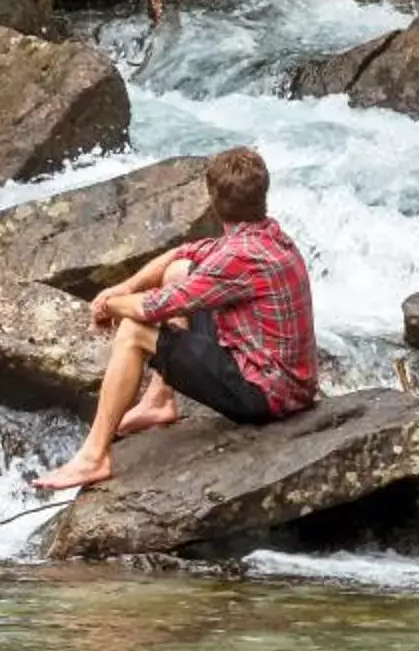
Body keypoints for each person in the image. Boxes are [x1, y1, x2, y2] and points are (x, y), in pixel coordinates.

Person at [32, 146, 318, 492]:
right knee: (179, 271)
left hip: (266, 396)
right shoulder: (266, 236)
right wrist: (122, 287)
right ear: (263, 195)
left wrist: (109, 306)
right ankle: (158, 400)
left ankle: (94, 457)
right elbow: (182, 254)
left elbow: (152, 309)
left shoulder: (239, 257)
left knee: (135, 331)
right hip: (286, 379)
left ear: (212, 199)